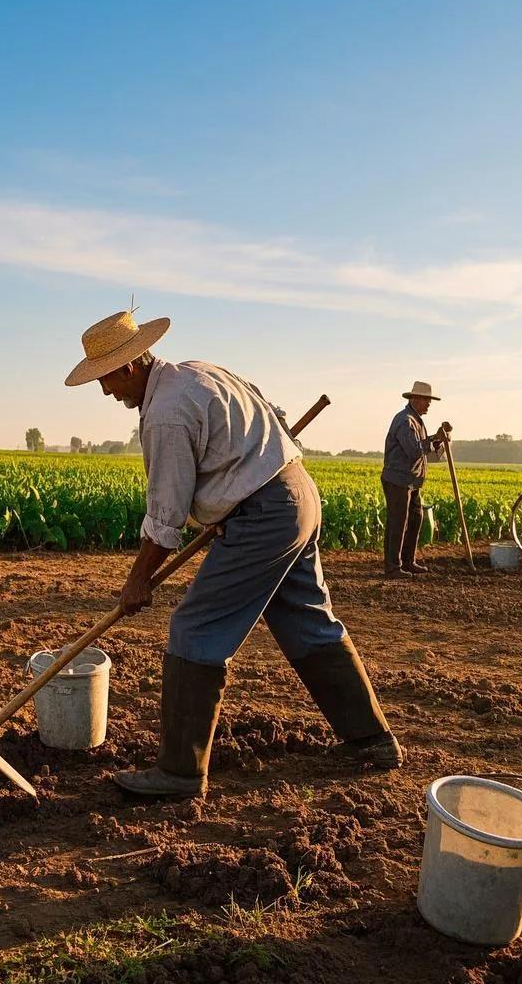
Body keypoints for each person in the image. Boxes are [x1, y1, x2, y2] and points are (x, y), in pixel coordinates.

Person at [64, 309, 402, 798]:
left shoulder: (165, 413)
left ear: (132, 365)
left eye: (107, 379)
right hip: (295, 495)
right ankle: (372, 738)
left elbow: (166, 513)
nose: (107, 391)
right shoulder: (200, 373)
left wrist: (138, 579)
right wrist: (230, 494)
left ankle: (179, 773)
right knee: (306, 618)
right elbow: (275, 418)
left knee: (195, 627)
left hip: (264, 514)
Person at [381, 381, 445, 579]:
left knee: (415, 519)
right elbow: (414, 450)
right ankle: (393, 567)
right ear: (414, 399)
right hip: (398, 480)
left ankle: (408, 562)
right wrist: (434, 438)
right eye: (426, 400)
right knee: (398, 523)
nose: (428, 404)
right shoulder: (405, 421)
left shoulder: (415, 420)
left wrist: (436, 439)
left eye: (429, 400)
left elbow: (422, 449)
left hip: (411, 481)